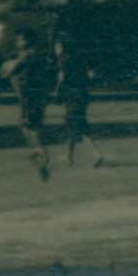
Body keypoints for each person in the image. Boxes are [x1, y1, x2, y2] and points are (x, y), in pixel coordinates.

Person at [1, 19, 59, 181]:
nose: (17, 41)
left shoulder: (28, 54)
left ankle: (41, 156)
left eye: (19, 38)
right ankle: (39, 153)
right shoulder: (34, 53)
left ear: (27, 40)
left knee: (29, 127)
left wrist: (7, 67)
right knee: (30, 126)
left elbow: (10, 71)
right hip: (35, 97)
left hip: (29, 98)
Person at [55, 26, 100, 170]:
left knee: (74, 126)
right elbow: (90, 75)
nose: (56, 49)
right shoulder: (79, 58)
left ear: (62, 46)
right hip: (83, 94)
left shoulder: (63, 61)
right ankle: (69, 156)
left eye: (57, 46)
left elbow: (62, 79)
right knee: (77, 126)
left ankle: (95, 154)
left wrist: (57, 94)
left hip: (71, 95)